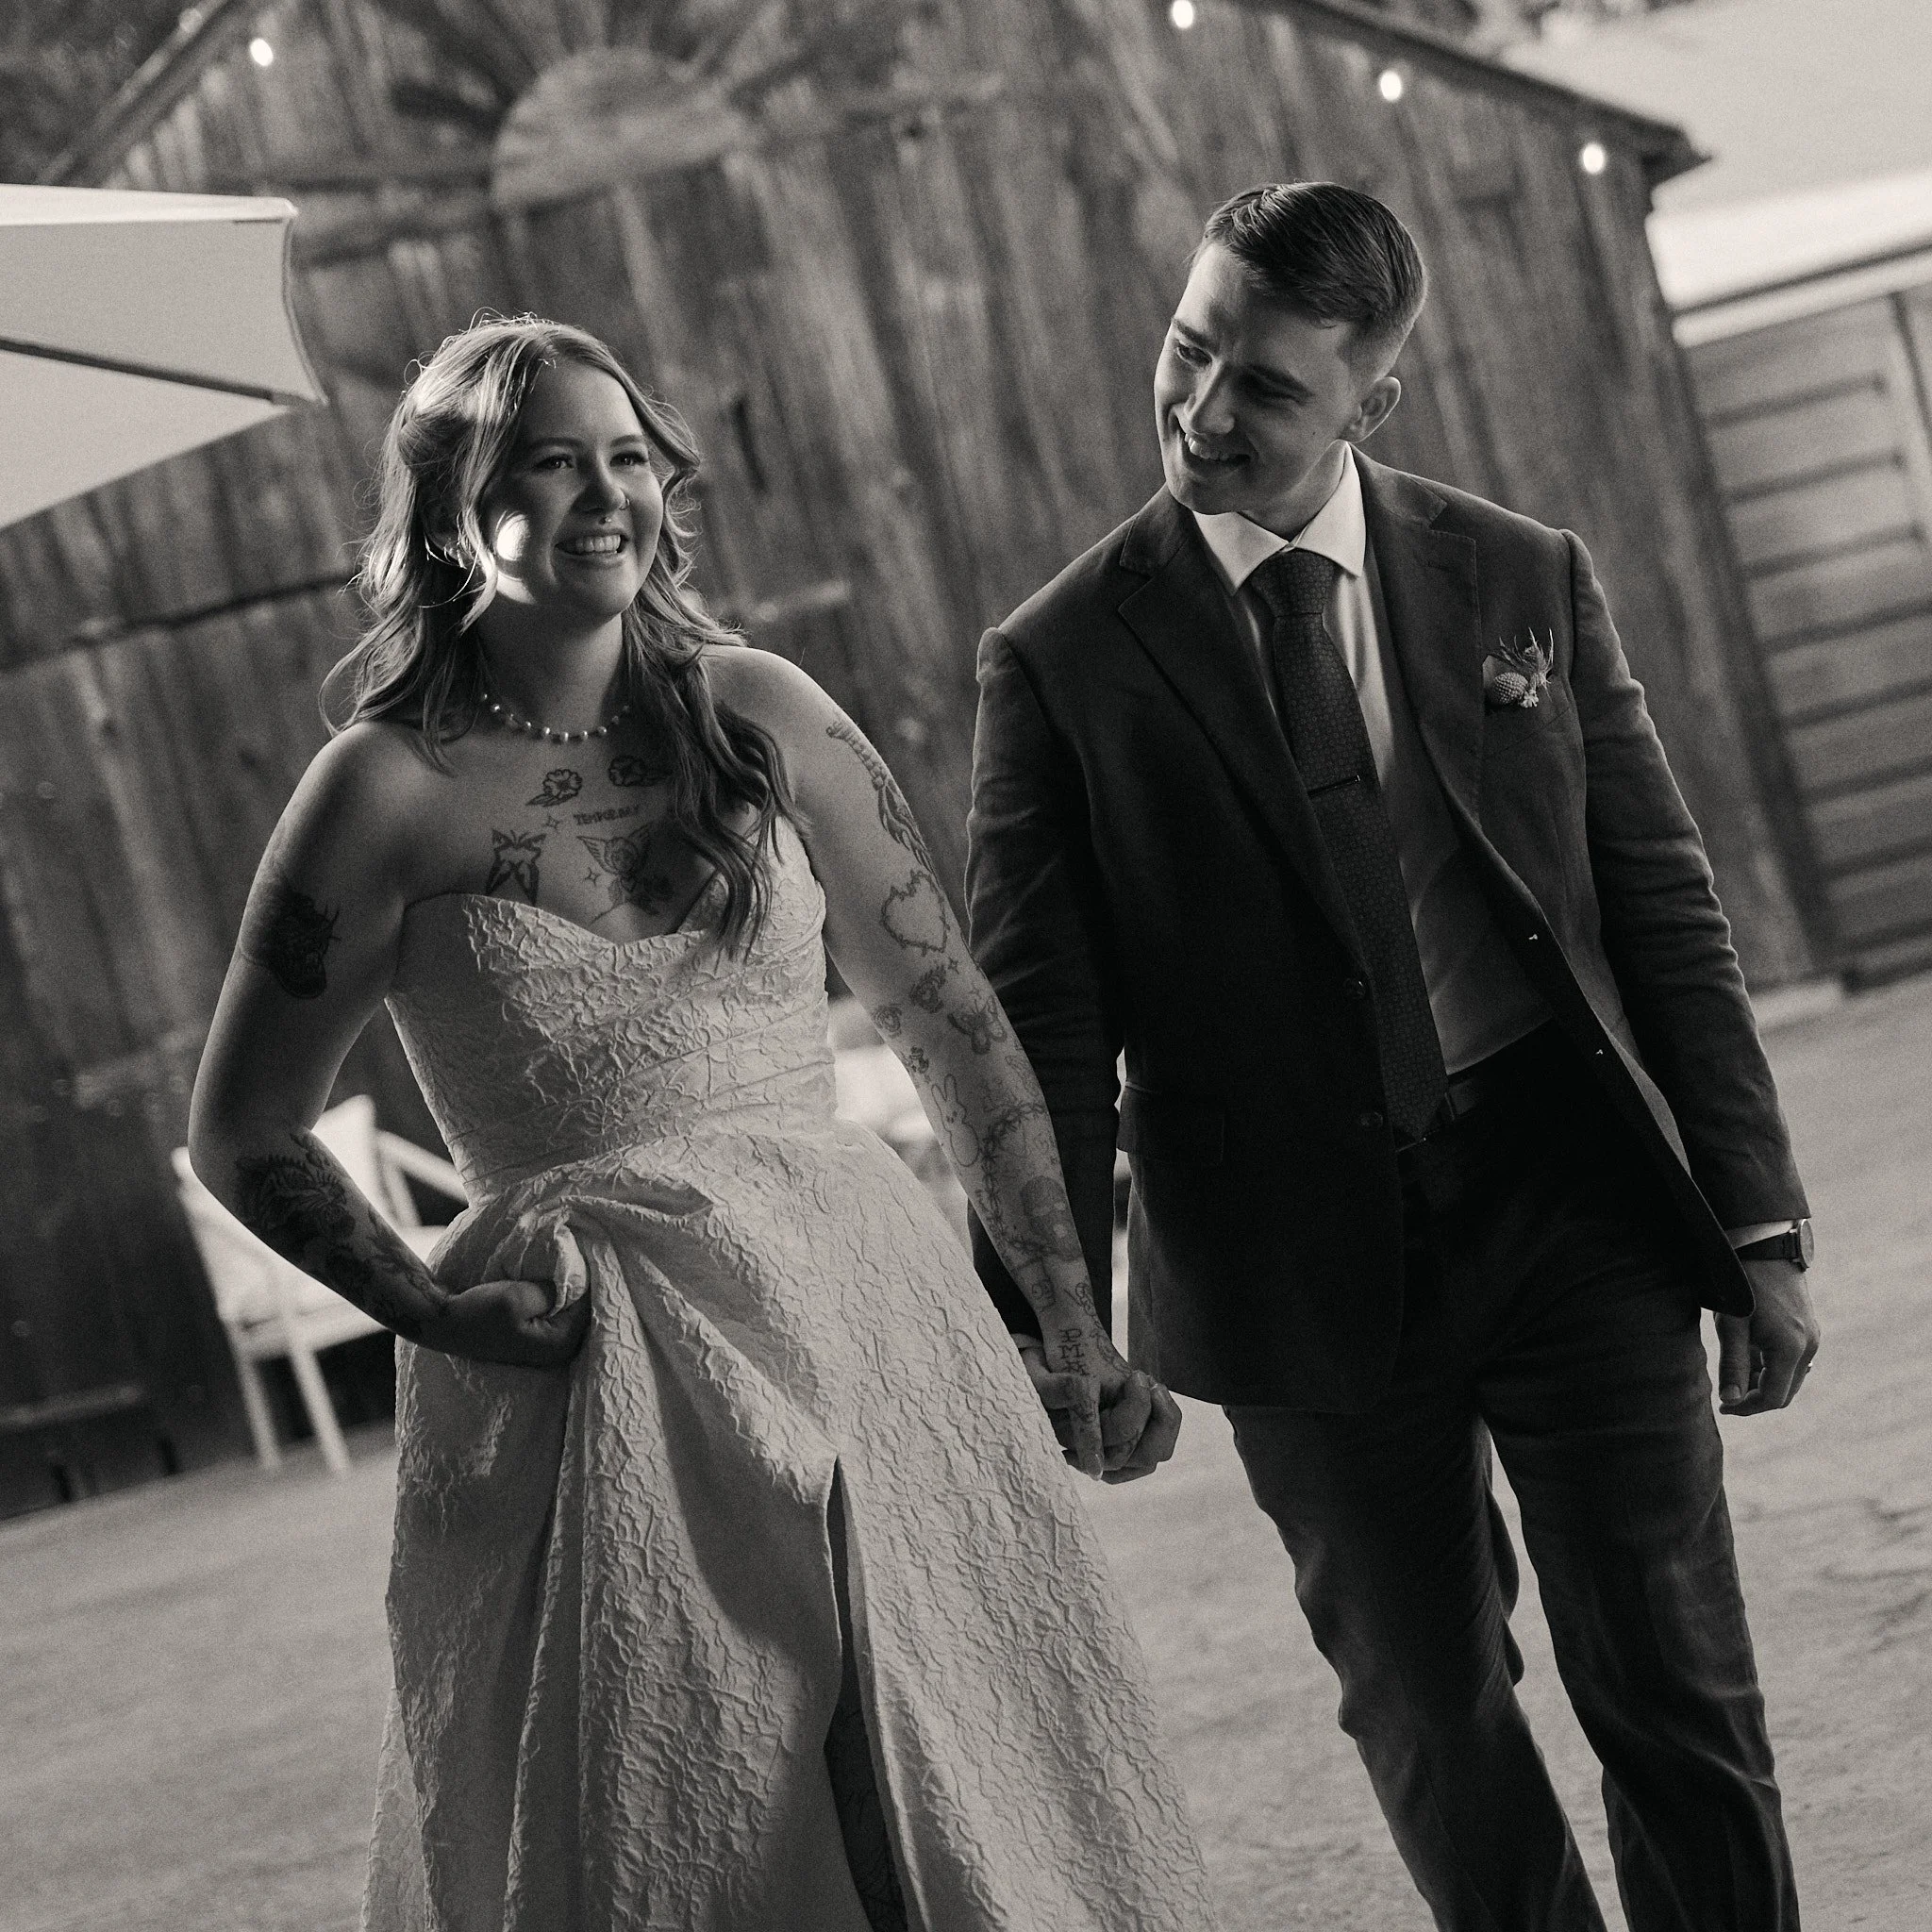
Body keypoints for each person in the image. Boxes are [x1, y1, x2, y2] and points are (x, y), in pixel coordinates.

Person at [188, 316, 1214, 1930]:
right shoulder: (379, 791)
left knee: (953, 1761)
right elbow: (243, 1129)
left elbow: (946, 1017)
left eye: (629, 458)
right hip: (597, 1365)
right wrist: (433, 1307)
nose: (608, 495)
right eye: (554, 463)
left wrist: (1070, 1325)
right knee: (694, 1819)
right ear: (453, 514)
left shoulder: (762, 715)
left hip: (862, 1310)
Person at [967, 181, 1821, 1931]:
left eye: (1269, 387)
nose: (1203, 410)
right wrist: (1054, 1322)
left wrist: (1757, 1224)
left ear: (1375, 399)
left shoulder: (1519, 572)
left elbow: (1659, 908)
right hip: (1289, 1261)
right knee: (1433, 1715)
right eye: (1190, 350)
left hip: (1573, 1205)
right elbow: (1040, 1027)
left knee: (1678, 1681)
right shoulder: (1059, 662)